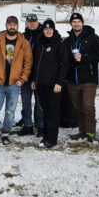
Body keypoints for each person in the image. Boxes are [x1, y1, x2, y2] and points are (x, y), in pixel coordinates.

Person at [0, 16, 33, 147]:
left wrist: (22, 79)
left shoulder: (24, 42)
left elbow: (28, 62)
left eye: (14, 24)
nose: (12, 27)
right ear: (6, 25)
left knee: (10, 111)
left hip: (14, 83)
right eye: (9, 24)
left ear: (18, 26)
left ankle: (5, 132)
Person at [63, 13, 99, 143]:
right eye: (74, 21)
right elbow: (64, 58)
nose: (76, 24)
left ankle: (91, 133)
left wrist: (84, 57)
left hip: (88, 80)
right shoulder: (68, 40)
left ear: (82, 23)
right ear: (71, 24)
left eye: (78, 21)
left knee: (88, 107)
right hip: (72, 80)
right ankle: (82, 131)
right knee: (78, 108)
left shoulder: (93, 38)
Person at [30, 19, 69, 148]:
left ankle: (52, 139)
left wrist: (59, 82)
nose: (48, 31)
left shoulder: (59, 44)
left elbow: (64, 65)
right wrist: (34, 79)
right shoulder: (40, 43)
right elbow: (36, 63)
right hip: (41, 84)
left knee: (53, 112)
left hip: (54, 85)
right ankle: (46, 135)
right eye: (46, 29)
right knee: (45, 110)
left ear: (53, 30)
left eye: (50, 29)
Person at [17, 13, 45, 137]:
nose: (32, 23)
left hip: (39, 74)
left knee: (39, 103)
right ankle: (27, 125)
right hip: (25, 75)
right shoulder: (22, 37)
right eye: (30, 21)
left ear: (38, 22)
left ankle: (41, 126)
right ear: (26, 23)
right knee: (26, 102)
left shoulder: (43, 35)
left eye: (34, 21)